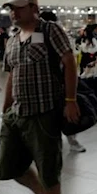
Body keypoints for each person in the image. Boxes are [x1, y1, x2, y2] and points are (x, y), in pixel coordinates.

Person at [0, 0, 80, 194]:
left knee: (49, 171)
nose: (13, 12)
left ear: (34, 8)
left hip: (44, 113)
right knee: (10, 167)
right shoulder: (12, 39)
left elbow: (69, 61)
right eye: (11, 8)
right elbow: (12, 76)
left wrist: (70, 100)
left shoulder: (49, 29)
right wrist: (5, 110)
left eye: (19, 7)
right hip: (17, 114)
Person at [39, 11, 86, 153]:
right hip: (57, 81)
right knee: (63, 115)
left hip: (55, 81)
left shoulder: (49, 34)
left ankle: (69, 141)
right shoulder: (42, 34)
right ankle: (72, 141)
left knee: (63, 113)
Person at [78, 25, 97, 115]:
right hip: (86, 66)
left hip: (93, 67)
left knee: (94, 87)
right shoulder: (84, 40)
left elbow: (94, 51)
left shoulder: (93, 41)